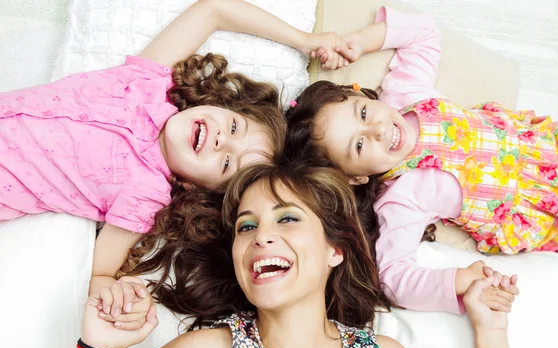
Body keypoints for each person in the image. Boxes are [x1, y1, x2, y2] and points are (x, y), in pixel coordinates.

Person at [0, 0, 353, 327]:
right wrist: (304, 39)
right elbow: (213, 9)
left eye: (227, 161)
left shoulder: (145, 196)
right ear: (221, 104)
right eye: (233, 126)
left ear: (196, 187)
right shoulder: (150, 83)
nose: (220, 140)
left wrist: (115, 293)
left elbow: (101, 273)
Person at [62, 160, 521, 348]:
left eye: (286, 220)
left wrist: (491, 329)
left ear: (334, 250)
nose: (261, 236)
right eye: (247, 226)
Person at [283, 5, 558, 314]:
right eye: (360, 145)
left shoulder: (406, 94)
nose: (379, 129)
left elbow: (424, 34)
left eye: (363, 113)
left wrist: (364, 41)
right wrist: (457, 281)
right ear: (355, 178)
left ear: (361, 96)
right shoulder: (401, 197)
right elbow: (394, 279)